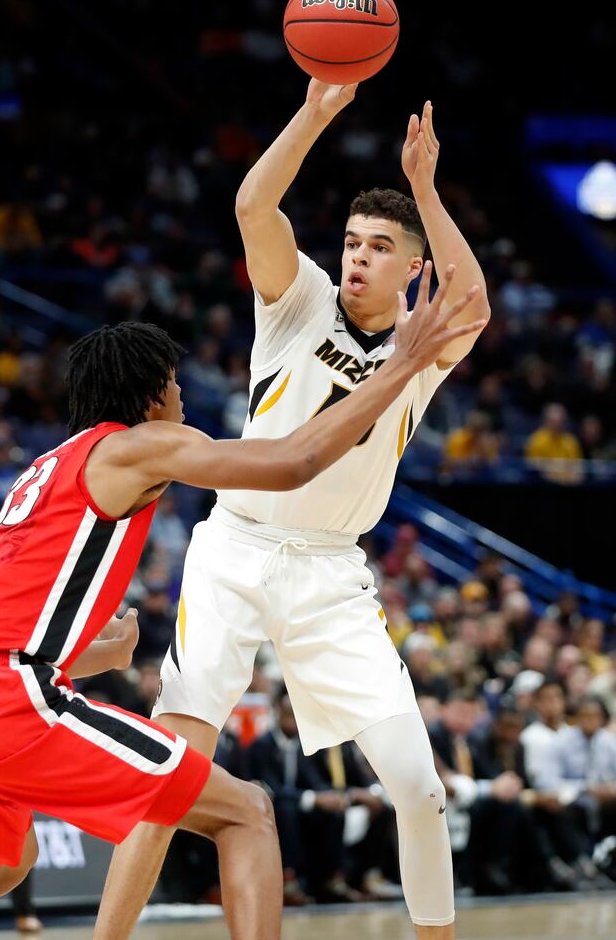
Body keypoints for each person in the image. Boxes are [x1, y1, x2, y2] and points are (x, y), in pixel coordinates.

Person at [0, 289, 481, 940]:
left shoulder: (46, 468)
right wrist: (403, 364)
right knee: (246, 811)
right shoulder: (135, 447)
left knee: (1, 865)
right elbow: (293, 463)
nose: (182, 401)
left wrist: (99, 658)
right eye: (173, 387)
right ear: (151, 401)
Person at [111, 81, 490, 940]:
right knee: (173, 767)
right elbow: (253, 202)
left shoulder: (419, 345)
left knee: (418, 786)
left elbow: (476, 305)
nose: (356, 256)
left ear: (410, 268)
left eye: (379, 246)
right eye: (351, 240)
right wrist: (319, 109)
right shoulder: (297, 300)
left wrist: (425, 190)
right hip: (235, 551)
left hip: (329, 571)